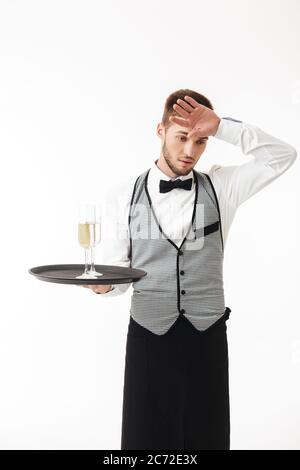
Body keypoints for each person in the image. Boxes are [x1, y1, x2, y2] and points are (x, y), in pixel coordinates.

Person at [80, 89, 297, 450]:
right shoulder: (123, 195)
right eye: (182, 137)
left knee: (207, 440)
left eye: (200, 141)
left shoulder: (222, 187)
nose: (189, 152)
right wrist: (103, 288)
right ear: (160, 130)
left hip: (206, 337)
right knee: (144, 444)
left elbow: (282, 157)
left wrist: (223, 127)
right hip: (149, 338)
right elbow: (118, 275)